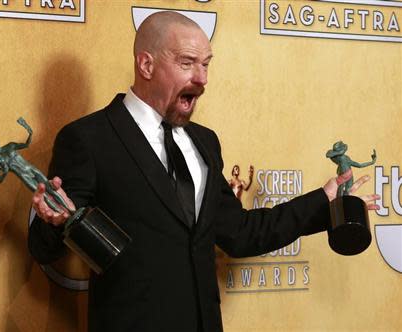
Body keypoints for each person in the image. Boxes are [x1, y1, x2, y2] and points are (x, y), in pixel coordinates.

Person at [28, 11, 379, 332]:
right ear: (146, 65)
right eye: (187, 63)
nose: (201, 78)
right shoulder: (89, 139)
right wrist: (53, 221)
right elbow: (45, 248)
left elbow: (240, 233)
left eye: (206, 64)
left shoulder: (205, 142)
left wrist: (325, 201)